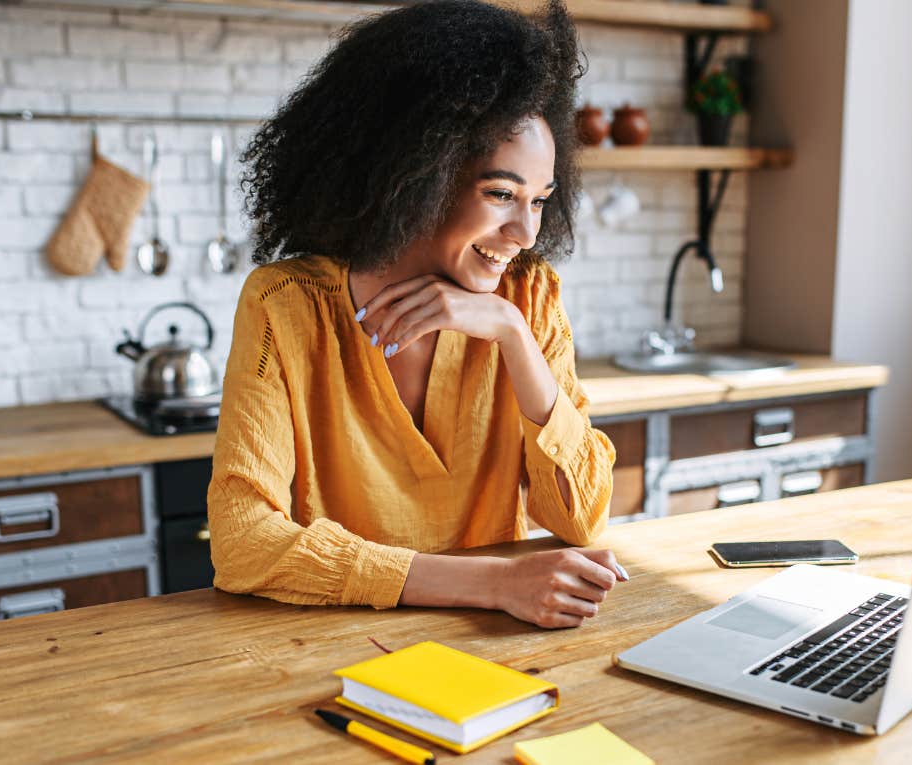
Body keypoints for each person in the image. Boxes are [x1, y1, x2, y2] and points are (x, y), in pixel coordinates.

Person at [207, 0, 625, 629]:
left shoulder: (528, 298)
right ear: (414, 175)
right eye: (501, 194)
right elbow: (242, 545)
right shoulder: (286, 307)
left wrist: (512, 336)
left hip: (498, 644)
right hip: (336, 646)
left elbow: (582, 519)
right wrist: (494, 583)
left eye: (540, 200)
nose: (525, 232)